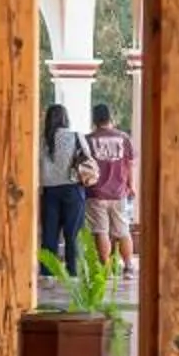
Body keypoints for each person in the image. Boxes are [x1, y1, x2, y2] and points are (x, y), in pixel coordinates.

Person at [86, 100, 139, 277]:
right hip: (119, 192)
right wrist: (131, 186)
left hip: (96, 192)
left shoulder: (89, 140)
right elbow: (130, 164)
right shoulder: (124, 138)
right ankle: (129, 266)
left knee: (100, 230)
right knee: (122, 230)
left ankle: (105, 268)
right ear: (110, 117)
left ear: (95, 119)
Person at [39, 102, 88, 273]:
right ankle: (73, 272)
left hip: (49, 191)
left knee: (49, 235)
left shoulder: (41, 141)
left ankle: (47, 272)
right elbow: (87, 158)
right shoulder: (75, 136)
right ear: (65, 118)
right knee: (73, 235)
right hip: (72, 189)